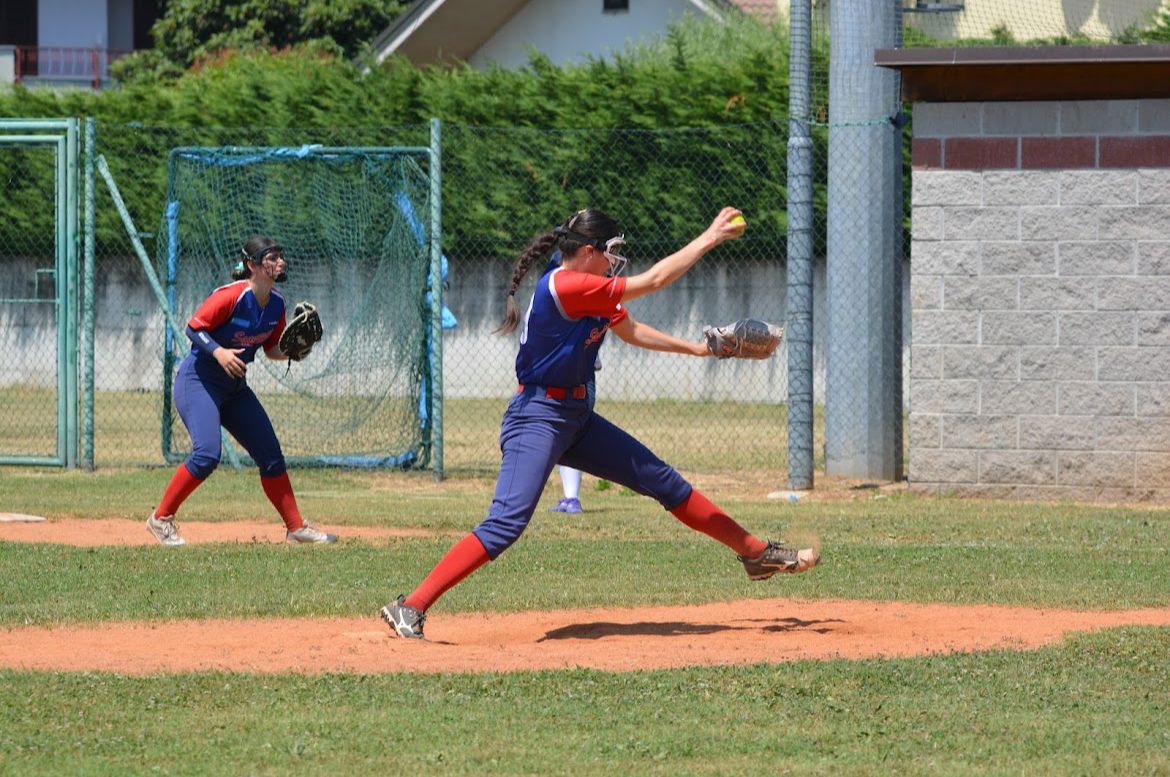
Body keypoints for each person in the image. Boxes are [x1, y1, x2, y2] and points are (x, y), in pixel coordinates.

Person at [379, 207, 819, 640]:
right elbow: (654, 281)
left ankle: (755, 553)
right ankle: (410, 606)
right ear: (587, 251)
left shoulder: (594, 289)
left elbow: (632, 332)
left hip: (576, 418)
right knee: (506, 522)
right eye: (610, 251)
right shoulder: (566, 284)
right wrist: (709, 238)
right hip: (537, 417)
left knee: (665, 483)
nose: (614, 260)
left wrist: (700, 350)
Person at [146, 236, 338, 546]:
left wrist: (296, 350)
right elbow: (193, 328)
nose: (280, 262)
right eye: (271, 258)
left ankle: (296, 527)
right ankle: (160, 518)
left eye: (280, 257)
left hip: (234, 388)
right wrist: (220, 352)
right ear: (252, 265)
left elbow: (272, 348)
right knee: (207, 454)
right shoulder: (231, 296)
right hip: (198, 380)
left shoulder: (277, 303)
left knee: (271, 455)